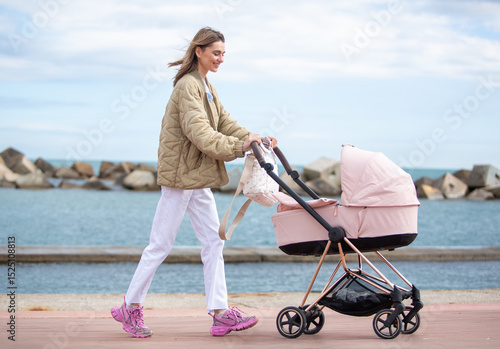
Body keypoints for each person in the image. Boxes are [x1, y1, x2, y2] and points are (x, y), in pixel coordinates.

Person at [111, 27, 277, 338]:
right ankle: (129, 307)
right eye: (216, 53)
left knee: (215, 241)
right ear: (198, 51)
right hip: (180, 179)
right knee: (160, 245)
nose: (220, 59)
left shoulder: (206, 86)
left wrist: (253, 138)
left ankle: (219, 312)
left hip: (197, 177)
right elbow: (200, 133)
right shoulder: (187, 87)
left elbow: (224, 121)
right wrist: (238, 147)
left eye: (224, 54)